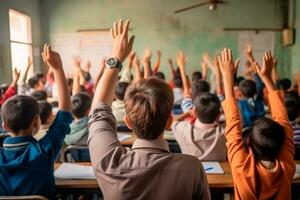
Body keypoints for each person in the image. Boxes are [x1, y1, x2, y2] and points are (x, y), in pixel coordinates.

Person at [88, 19, 210, 200]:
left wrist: (116, 58)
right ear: (170, 122)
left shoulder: (109, 163)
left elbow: (99, 110)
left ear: (128, 122)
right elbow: (99, 111)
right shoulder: (192, 168)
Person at [219, 48, 295, 199]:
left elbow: (283, 122)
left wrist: (227, 78)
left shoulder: (242, 166)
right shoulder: (287, 166)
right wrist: (267, 77)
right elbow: (284, 121)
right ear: (283, 142)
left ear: (249, 143)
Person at [0, 44, 72, 198]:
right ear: (36, 122)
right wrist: (58, 69)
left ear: (4, 126)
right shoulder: (44, 151)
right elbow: (65, 112)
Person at [172, 92, 227, 161]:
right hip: (223, 170)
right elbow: (236, 119)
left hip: (190, 169)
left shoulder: (182, 128)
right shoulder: (226, 131)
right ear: (219, 115)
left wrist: (188, 113)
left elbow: (172, 122)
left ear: (194, 111)